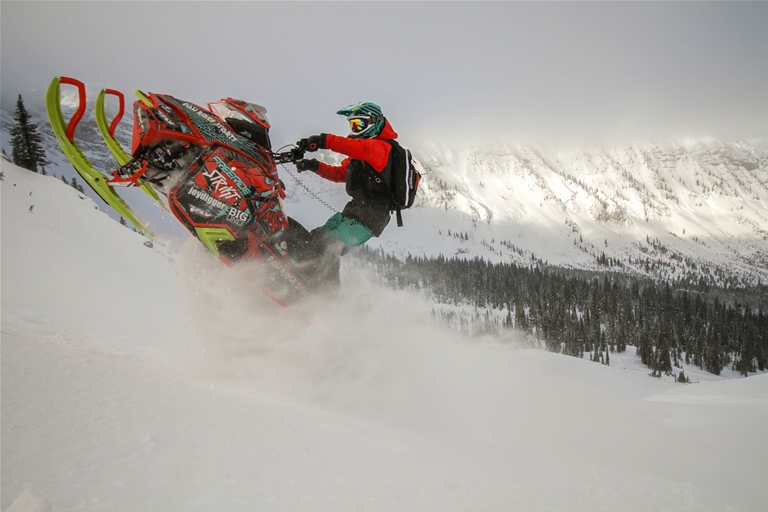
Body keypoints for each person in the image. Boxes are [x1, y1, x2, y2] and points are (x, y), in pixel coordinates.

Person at [292, 102, 400, 283]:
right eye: (352, 125)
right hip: (354, 211)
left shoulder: (381, 148)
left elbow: (351, 146)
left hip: (371, 217)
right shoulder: (362, 154)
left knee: (330, 246)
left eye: (359, 124)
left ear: (375, 123)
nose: (354, 129)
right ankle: (295, 273)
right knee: (316, 238)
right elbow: (340, 174)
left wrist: (321, 140)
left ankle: (325, 295)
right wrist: (313, 166)